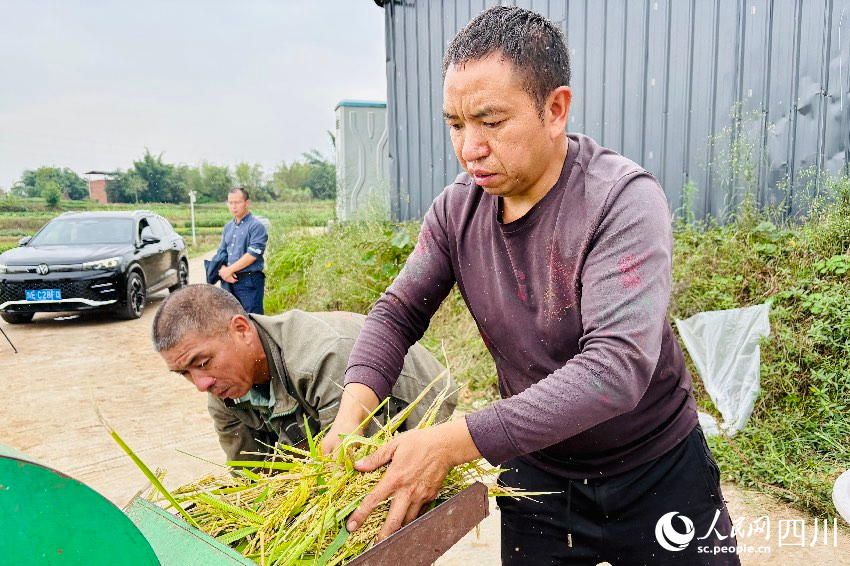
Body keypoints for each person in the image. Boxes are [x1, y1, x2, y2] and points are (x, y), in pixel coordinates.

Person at [323, 6, 739, 565]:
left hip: (655, 471)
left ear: (555, 109)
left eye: (491, 122)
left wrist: (449, 444)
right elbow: (397, 313)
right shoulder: (456, 212)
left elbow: (614, 371)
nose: (469, 147)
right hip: (537, 478)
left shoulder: (620, 200)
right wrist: (351, 415)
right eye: (455, 124)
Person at [152, 284, 455, 463]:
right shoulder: (222, 392)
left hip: (412, 395)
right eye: (184, 373)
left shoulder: (322, 359)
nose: (200, 384)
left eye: (203, 363)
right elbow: (251, 475)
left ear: (241, 329)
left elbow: (349, 466)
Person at [215, 187, 268, 314]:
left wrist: (229, 270)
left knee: (253, 321)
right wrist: (223, 270)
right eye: (230, 202)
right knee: (233, 322)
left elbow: (252, 255)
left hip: (250, 282)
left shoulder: (256, 226)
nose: (233, 206)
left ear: (247, 203)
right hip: (229, 281)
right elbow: (221, 252)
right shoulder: (228, 227)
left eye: (237, 202)